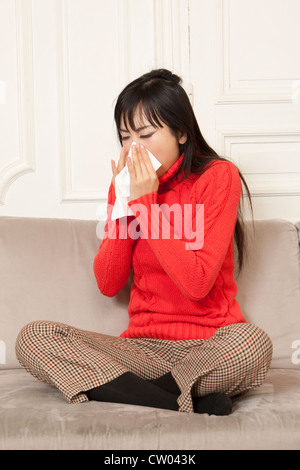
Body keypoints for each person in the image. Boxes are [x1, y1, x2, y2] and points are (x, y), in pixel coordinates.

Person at [15, 69, 273, 415]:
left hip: (210, 344)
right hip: (142, 351)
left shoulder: (217, 177)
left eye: (146, 134)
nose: (134, 147)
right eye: (125, 137)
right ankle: (174, 399)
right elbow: (108, 284)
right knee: (34, 337)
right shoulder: (124, 190)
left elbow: (197, 284)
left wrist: (146, 205)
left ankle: (139, 392)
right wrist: (125, 201)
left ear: (181, 132)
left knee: (253, 344)